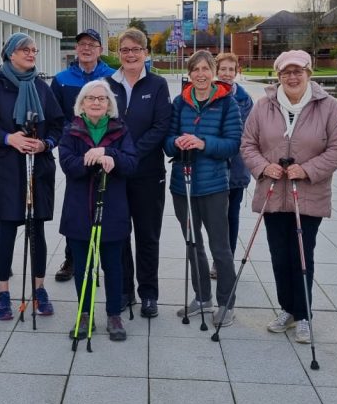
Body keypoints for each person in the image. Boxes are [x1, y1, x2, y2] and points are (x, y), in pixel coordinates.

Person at [241, 50, 337, 344]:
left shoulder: (327, 106)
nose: (292, 76)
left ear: (308, 73)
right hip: (273, 193)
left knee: (302, 254)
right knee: (279, 255)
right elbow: (248, 144)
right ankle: (287, 308)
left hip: (308, 193)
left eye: (298, 71)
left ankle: (304, 315)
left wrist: (308, 169)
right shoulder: (263, 106)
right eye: (286, 72)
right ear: (278, 76)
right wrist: (264, 167)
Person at [0, 33, 65, 320]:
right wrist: (8, 138)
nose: (31, 53)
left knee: (37, 230)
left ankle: (39, 288)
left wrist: (45, 144)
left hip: (36, 170)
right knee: (6, 231)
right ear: (10, 53)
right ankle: (3, 291)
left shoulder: (41, 86)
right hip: (3, 170)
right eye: (25, 49)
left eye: (33, 50)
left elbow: (58, 125)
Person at [163, 51, 242, 327]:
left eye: (205, 69)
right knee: (192, 243)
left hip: (214, 186)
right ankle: (202, 297)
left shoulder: (227, 103)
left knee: (220, 247)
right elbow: (168, 141)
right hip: (182, 185)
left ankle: (226, 303)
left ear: (213, 72)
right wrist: (179, 143)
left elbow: (233, 144)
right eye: (195, 69)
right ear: (189, 73)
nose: (200, 74)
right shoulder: (180, 102)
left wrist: (202, 143)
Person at [59, 80, 138, 341]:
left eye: (101, 99)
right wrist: (88, 160)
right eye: (90, 98)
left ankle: (114, 314)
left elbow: (131, 163)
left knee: (113, 266)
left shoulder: (121, 130)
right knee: (82, 267)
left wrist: (110, 155)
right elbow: (68, 165)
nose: (96, 102)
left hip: (112, 209)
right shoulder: (71, 130)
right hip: (79, 209)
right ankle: (85, 314)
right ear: (81, 103)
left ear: (109, 105)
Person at [107, 27, 171, 318]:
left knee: (147, 236)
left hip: (148, 173)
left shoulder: (157, 85)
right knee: (119, 235)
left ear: (146, 53)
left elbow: (161, 127)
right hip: (117, 174)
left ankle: (148, 294)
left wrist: (132, 153)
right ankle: (123, 292)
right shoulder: (108, 83)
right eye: (125, 50)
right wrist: (119, 156)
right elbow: (102, 123)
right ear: (118, 53)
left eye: (136, 49)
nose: (130, 55)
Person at [50, 28, 114, 282]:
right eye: (81, 44)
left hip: (105, 148)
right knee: (76, 206)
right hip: (76, 151)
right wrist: (72, 137)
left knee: (108, 205)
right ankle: (72, 257)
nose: (86, 48)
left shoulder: (111, 77)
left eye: (92, 44)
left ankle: (105, 257)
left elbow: (117, 113)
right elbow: (55, 115)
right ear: (76, 49)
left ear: (100, 49)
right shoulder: (62, 79)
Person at [215, 53, 254, 276]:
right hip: (212, 168)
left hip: (236, 168)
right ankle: (216, 258)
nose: (227, 74)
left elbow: (245, 133)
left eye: (231, 69)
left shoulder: (245, 99)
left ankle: (226, 260)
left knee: (231, 215)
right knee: (214, 217)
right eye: (223, 69)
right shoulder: (208, 94)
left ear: (237, 72)